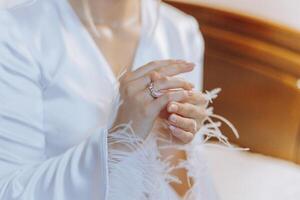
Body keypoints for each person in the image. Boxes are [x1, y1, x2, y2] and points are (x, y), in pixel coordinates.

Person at [0, 0, 224, 199]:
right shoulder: (15, 32)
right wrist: (119, 138)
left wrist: (171, 142)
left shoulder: (180, 31)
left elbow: (179, 176)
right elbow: (9, 190)